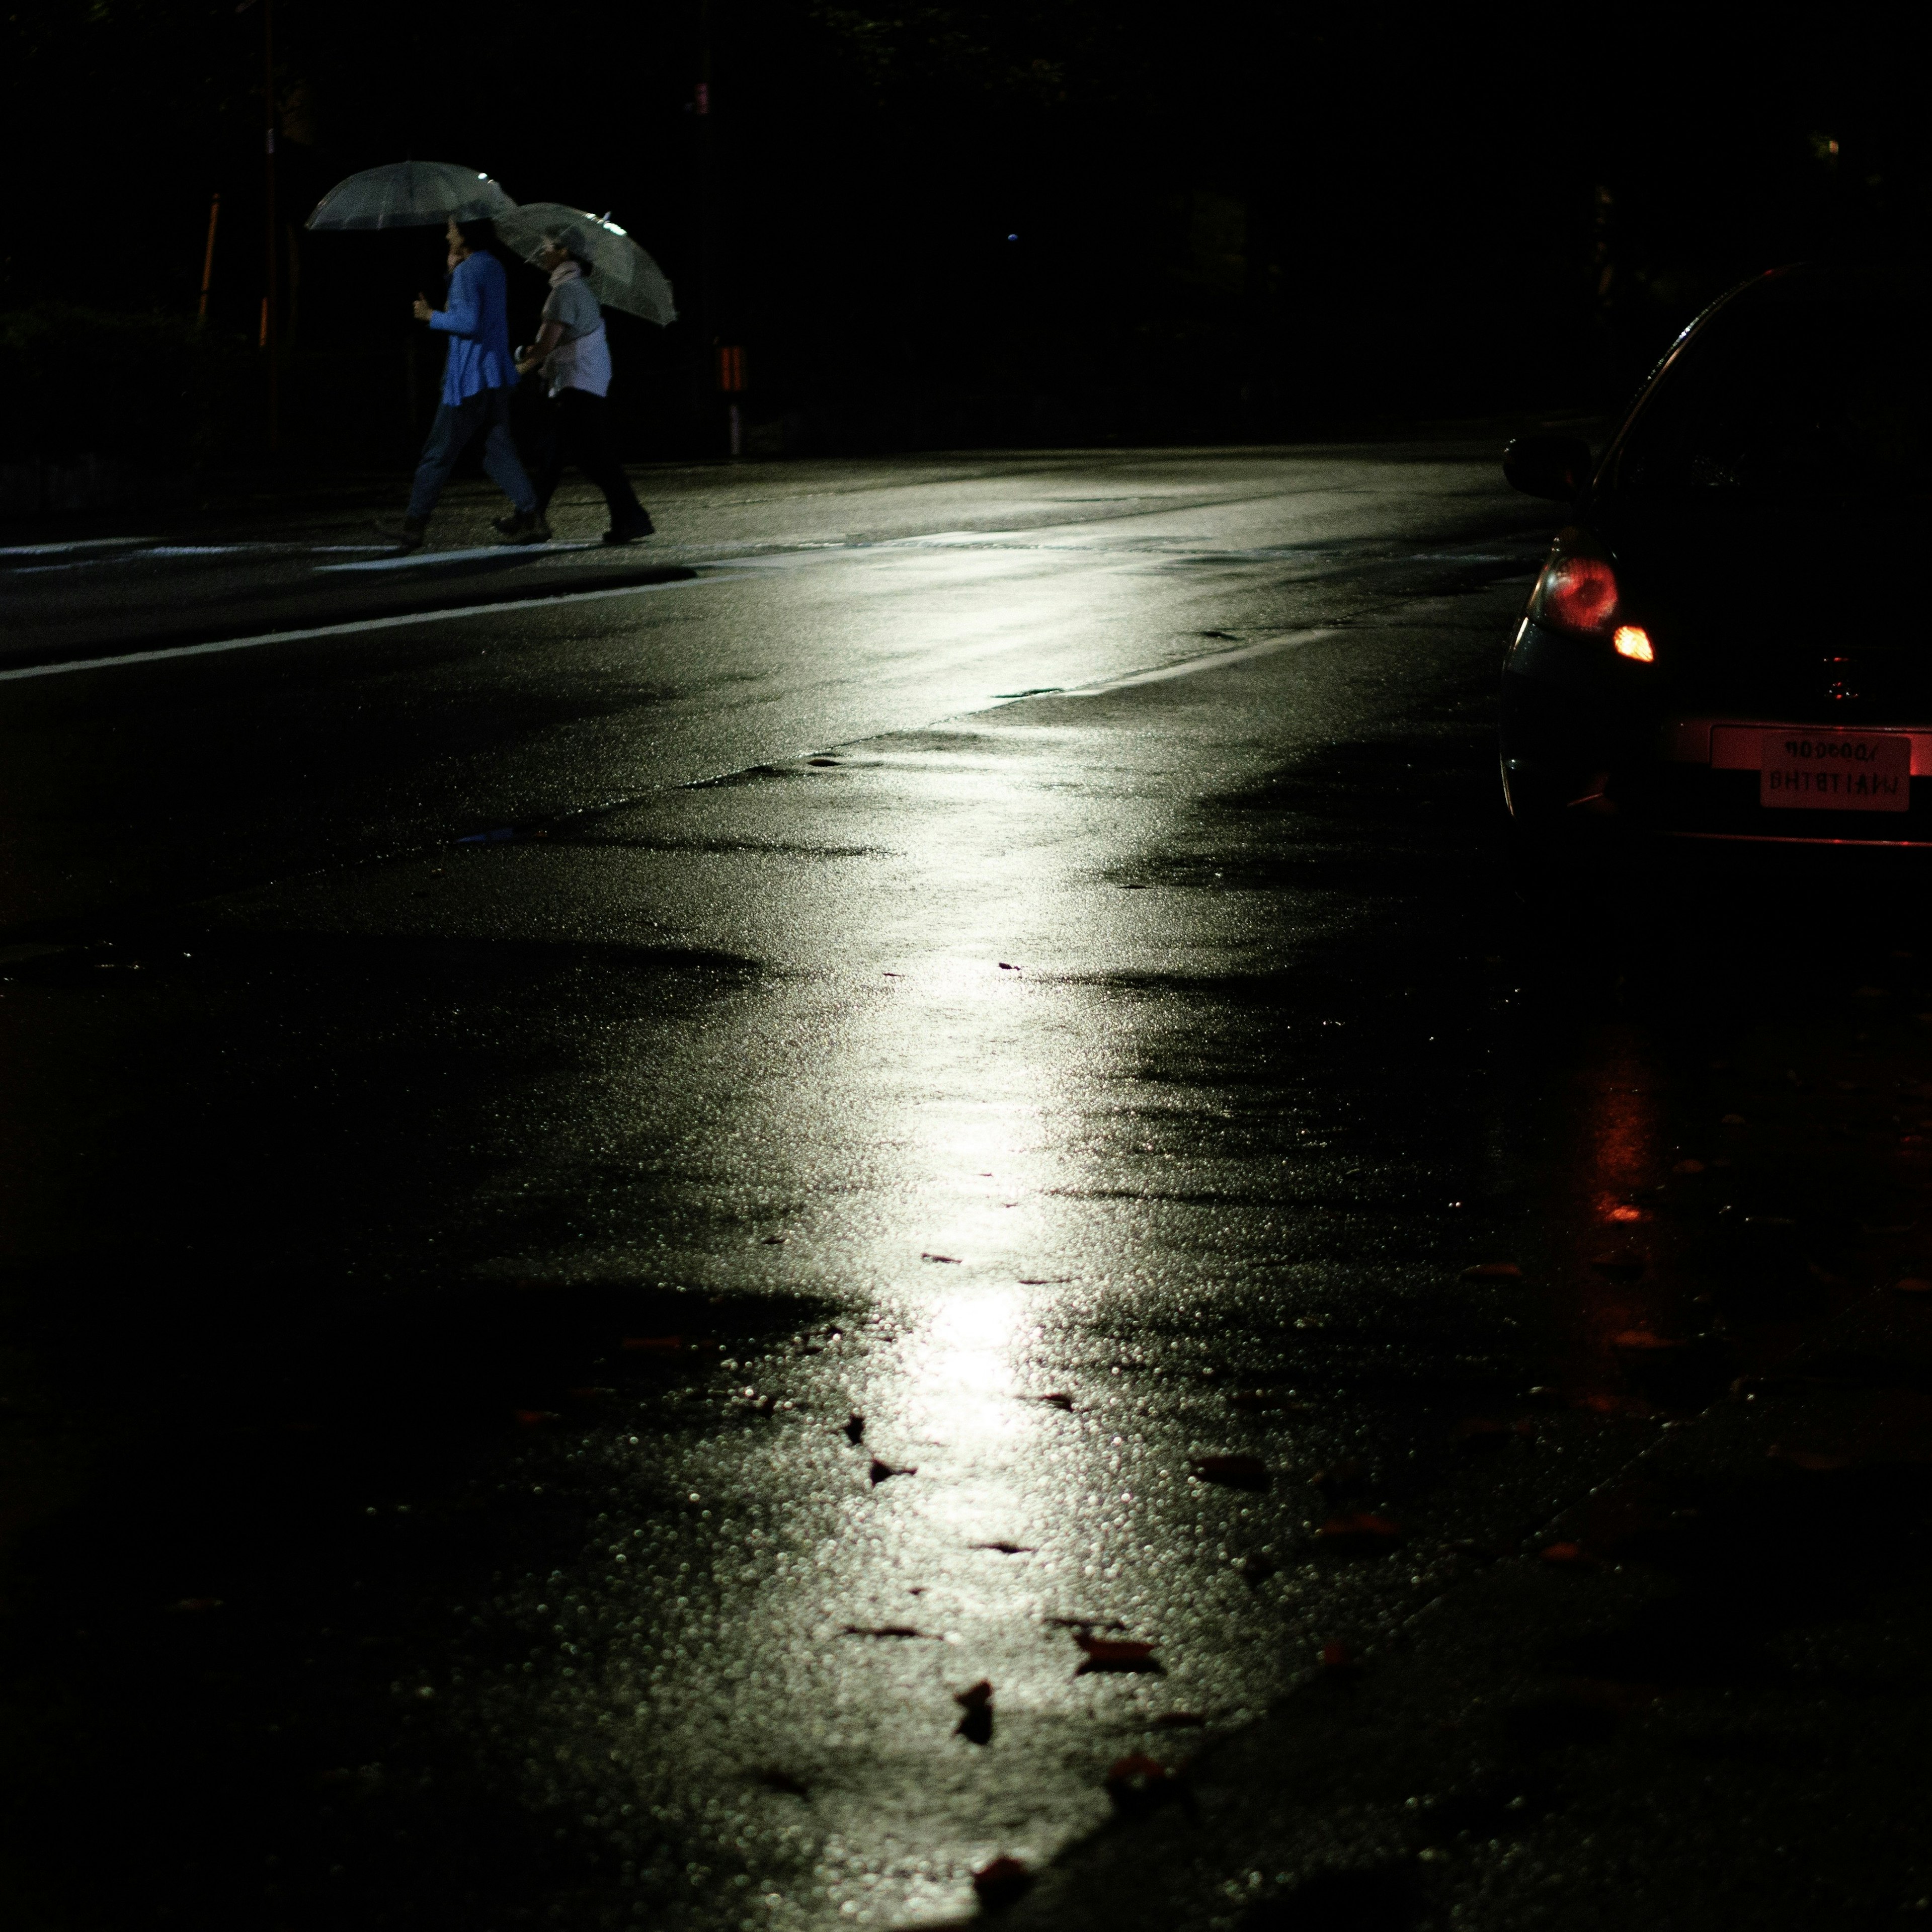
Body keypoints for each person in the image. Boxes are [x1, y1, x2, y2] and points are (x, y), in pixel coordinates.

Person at [377, 217, 545, 552]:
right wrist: (452, 273)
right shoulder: (493, 266)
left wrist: (430, 316)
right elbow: (477, 313)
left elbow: (467, 323)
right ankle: (533, 518)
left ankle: (414, 526)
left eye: (452, 229)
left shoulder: (470, 272)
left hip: (469, 379)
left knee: (437, 455)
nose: (446, 234)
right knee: (497, 451)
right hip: (495, 375)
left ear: (466, 234)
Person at [505, 231, 653, 545]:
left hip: (577, 385)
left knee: (568, 456)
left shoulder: (564, 292)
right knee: (575, 456)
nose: (541, 253)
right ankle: (629, 518)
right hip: (587, 383)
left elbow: (546, 346)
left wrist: (517, 368)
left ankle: (531, 519)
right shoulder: (577, 289)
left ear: (564, 251)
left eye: (546, 247)